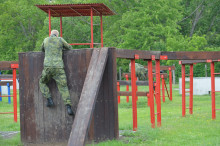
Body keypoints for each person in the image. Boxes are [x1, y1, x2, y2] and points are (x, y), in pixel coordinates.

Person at [39, 30, 74, 116]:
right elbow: (69, 48)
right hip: (58, 67)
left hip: (47, 68)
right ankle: (68, 106)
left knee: (42, 82)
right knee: (63, 87)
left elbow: (41, 49)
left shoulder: (46, 40)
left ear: (50, 34)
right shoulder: (60, 39)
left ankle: (49, 99)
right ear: (57, 35)